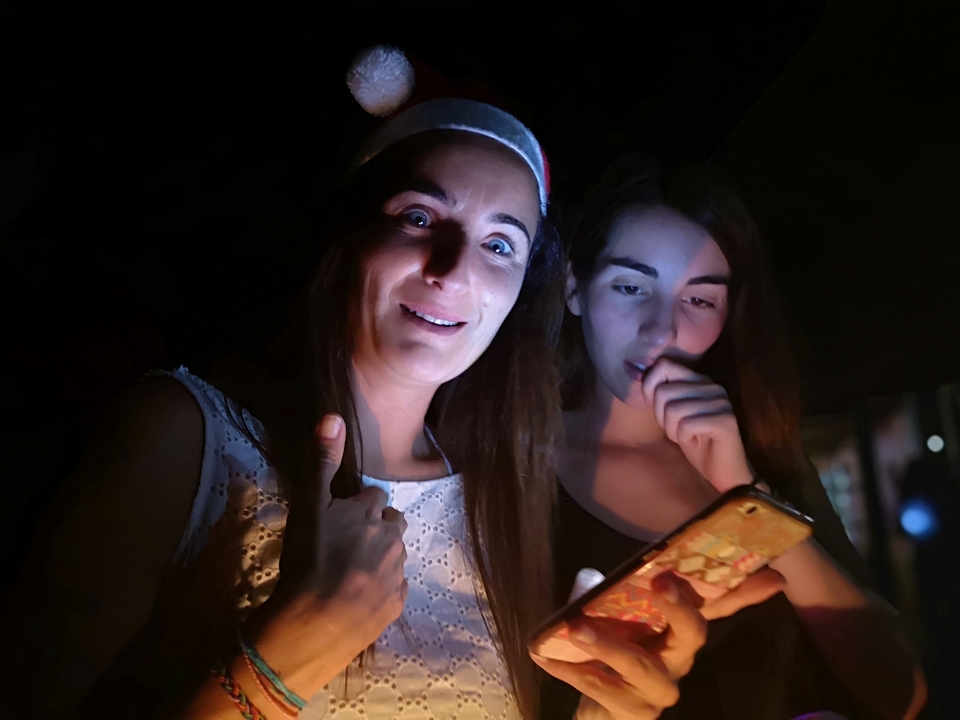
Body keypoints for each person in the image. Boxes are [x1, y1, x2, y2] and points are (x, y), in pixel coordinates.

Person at [2, 51, 783, 720]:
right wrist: (275, 665)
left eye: (500, 245)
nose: (453, 269)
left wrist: (610, 710)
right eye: (418, 216)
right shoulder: (185, 437)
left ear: (523, 290)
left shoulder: (502, 503)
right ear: (349, 233)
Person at [539, 154, 928, 719]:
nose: (662, 329)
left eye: (698, 300)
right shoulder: (516, 467)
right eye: (630, 286)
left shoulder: (763, 455)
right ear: (575, 287)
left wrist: (745, 496)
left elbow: (901, 693)